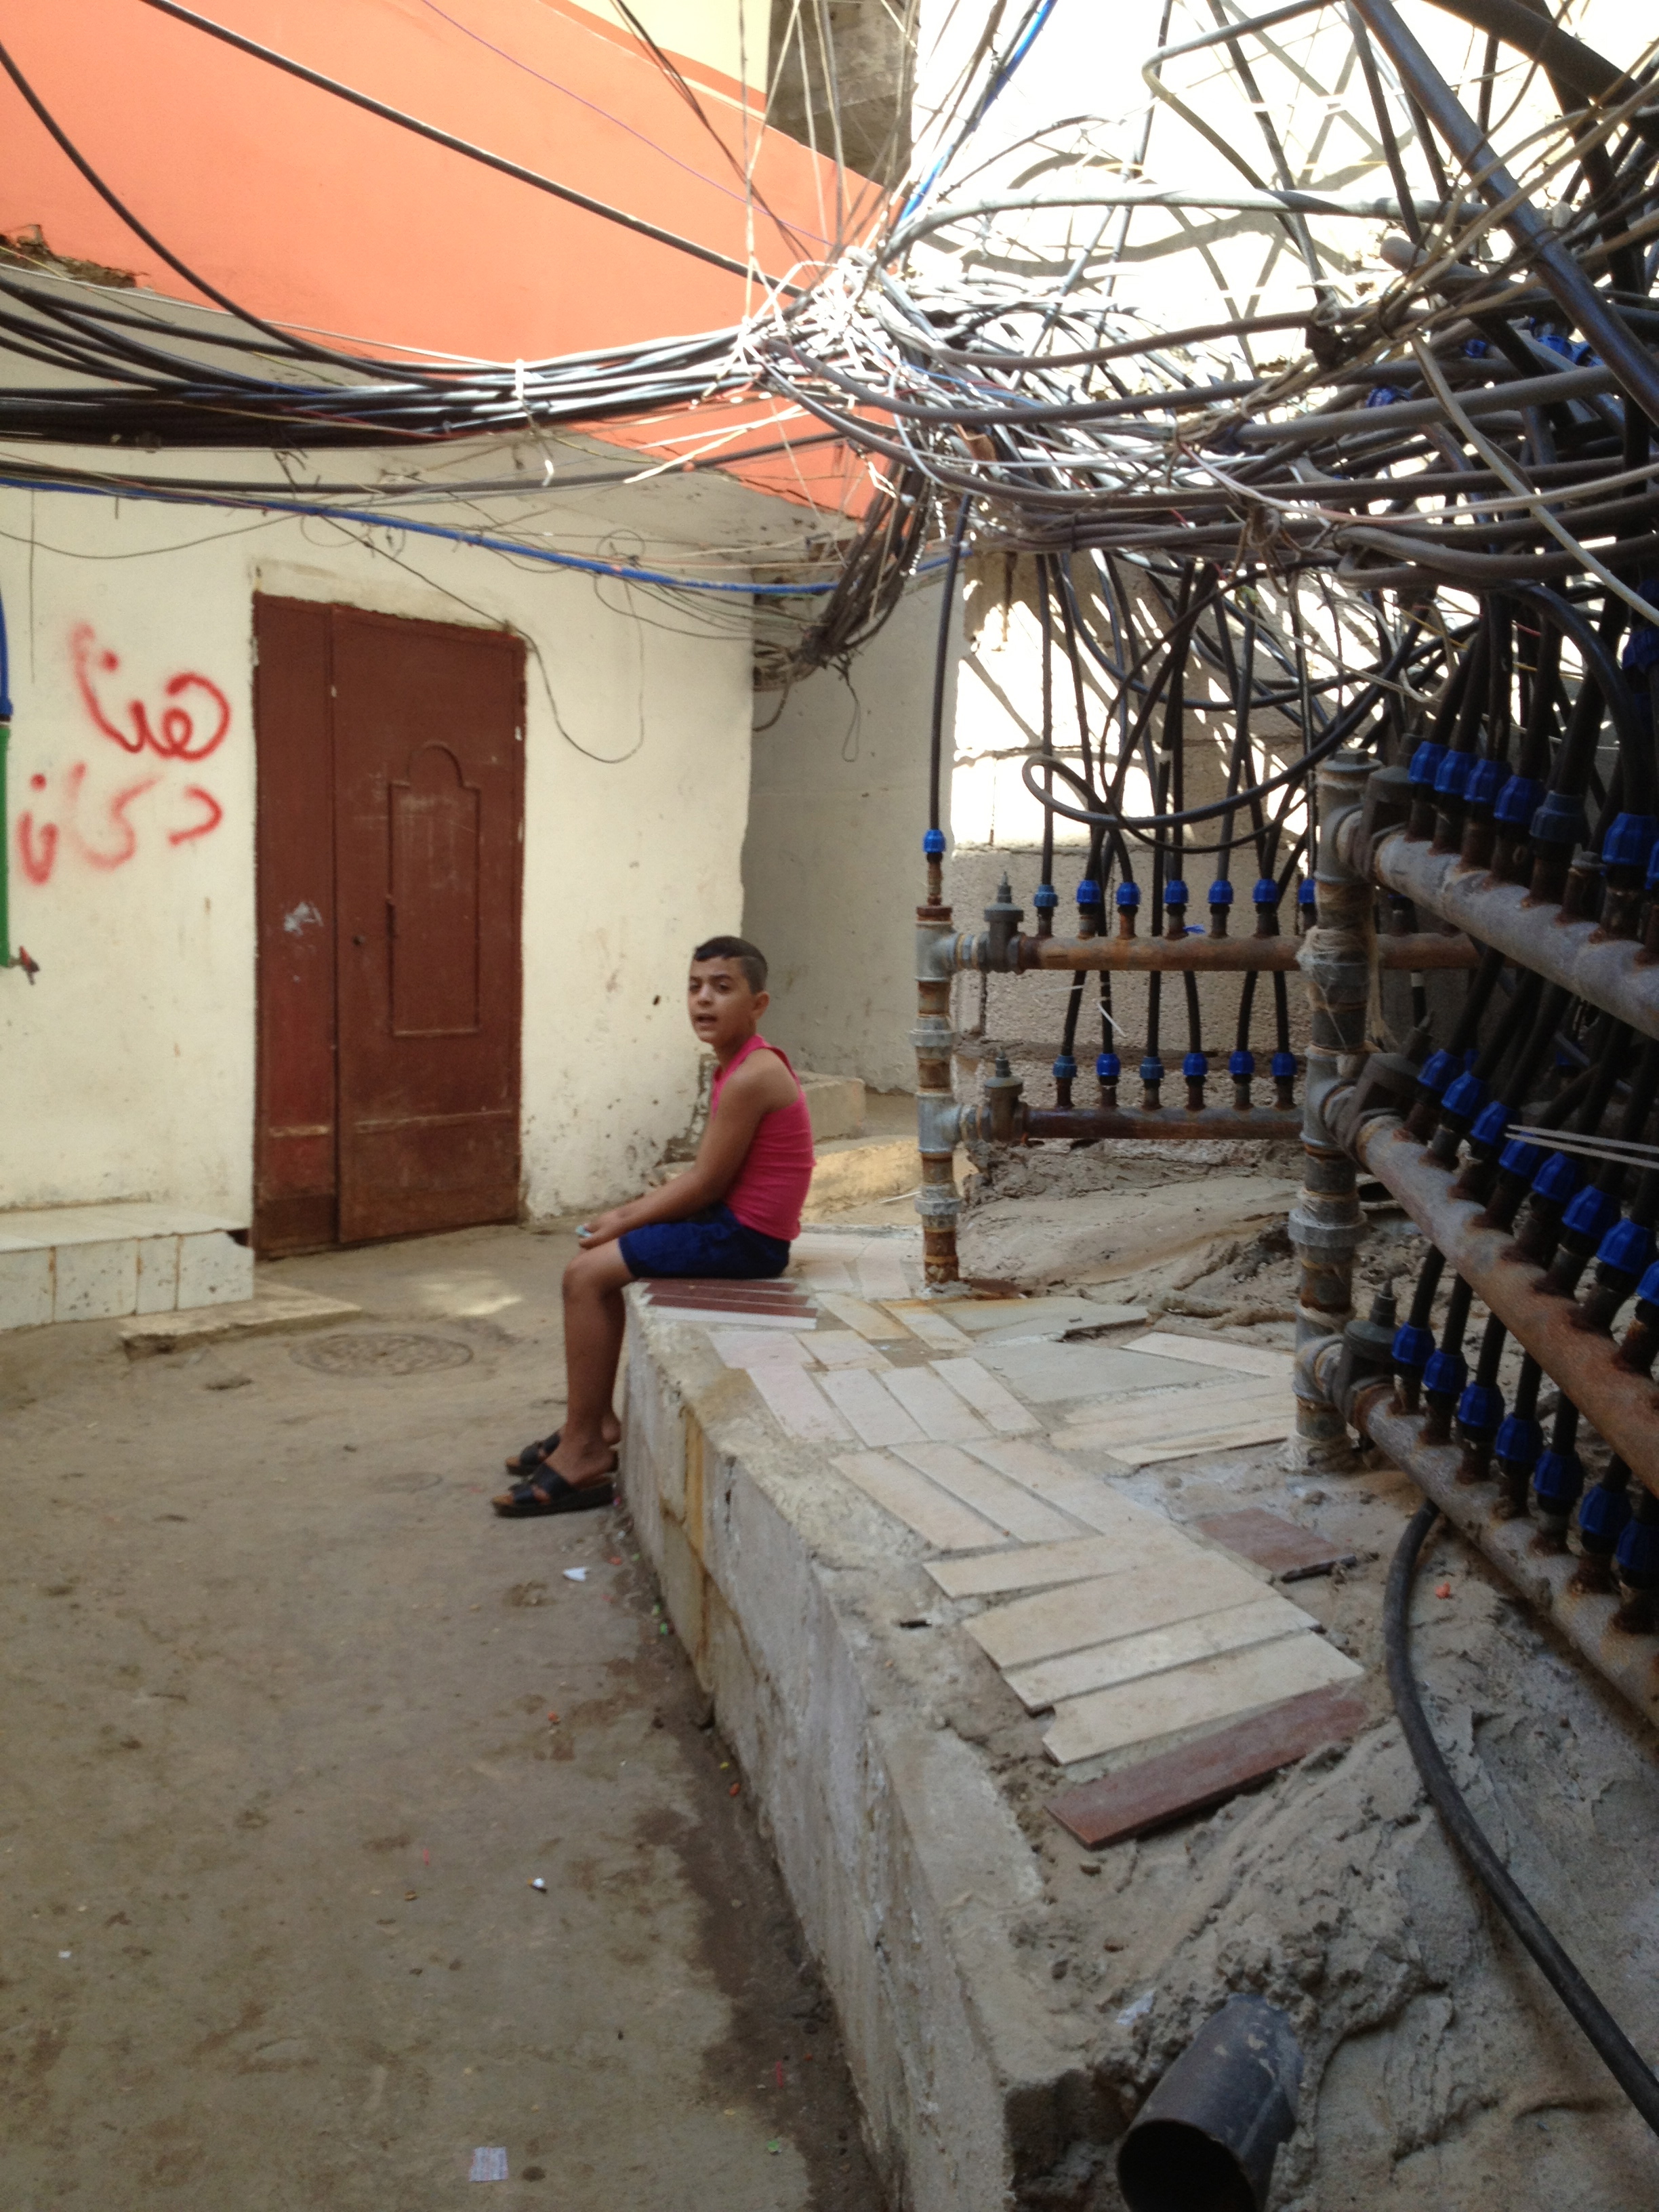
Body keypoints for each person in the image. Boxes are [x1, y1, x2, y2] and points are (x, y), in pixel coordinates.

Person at [492, 936, 815, 1517]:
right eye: (695, 987)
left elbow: (705, 1183)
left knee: (585, 1277)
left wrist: (622, 1216)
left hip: (748, 1241)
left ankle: (585, 1448)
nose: (703, 1000)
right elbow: (706, 1177)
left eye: (722, 987)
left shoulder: (752, 1076)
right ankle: (591, 1423)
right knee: (595, 1262)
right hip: (729, 1223)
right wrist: (627, 1217)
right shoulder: (736, 1065)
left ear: (758, 1004)